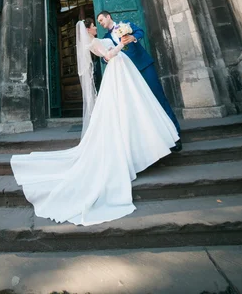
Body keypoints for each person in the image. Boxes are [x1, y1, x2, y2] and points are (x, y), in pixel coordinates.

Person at [10, 18, 180, 226]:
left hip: (125, 69)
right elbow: (107, 55)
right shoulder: (94, 42)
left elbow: (130, 38)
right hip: (118, 70)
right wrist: (120, 45)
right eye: (93, 24)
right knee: (128, 106)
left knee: (137, 103)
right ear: (88, 28)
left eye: (99, 20)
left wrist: (127, 40)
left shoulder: (107, 33)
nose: (95, 25)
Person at [97, 10, 182, 150]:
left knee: (159, 98)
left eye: (101, 20)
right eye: (99, 22)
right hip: (128, 74)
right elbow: (104, 56)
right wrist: (105, 58)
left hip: (143, 66)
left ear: (108, 17)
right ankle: (155, 141)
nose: (100, 23)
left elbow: (140, 32)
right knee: (140, 105)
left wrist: (132, 37)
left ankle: (175, 136)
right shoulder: (106, 37)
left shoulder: (125, 25)